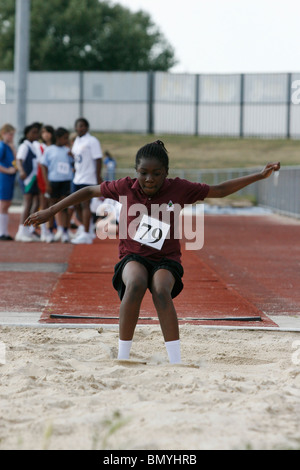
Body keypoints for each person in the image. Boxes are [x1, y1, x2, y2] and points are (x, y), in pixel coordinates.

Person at [24, 140, 280, 364]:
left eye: (157, 174)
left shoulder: (180, 188)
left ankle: (175, 359)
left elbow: (219, 190)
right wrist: (51, 211)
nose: (149, 179)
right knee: (135, 282)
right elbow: (90, 190)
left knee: (160, 289)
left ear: (166, 173)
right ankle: (124, 356)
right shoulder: (125, 187)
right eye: (144, 173)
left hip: (166, 260)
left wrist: (259, 176)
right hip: (132, 257)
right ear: (135, 172)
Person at [71, 118, 102, 244]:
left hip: (88, 177)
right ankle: (86, 228)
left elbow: (98, 159)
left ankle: (86, 234)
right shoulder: (77, 141)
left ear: (87, 127)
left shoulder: (92, 141)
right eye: (79, 126)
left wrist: (98, 176)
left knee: (85, 205)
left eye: (83, 126)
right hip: (77, 177)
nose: (81, 128)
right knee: (76, 204)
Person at [40, 127, 74, 243]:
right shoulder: (49, 150)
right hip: (53, 181)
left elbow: (73, 165)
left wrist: (72, 156)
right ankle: (49, 231)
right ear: (58, 138)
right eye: (65, 138)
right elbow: (44, 166)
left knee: (64, 207)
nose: (66, 140)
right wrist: (47, 183)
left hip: (66, 181)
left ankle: (63, 231)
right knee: (52, 208)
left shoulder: (67, 150)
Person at [15, 122, 41, 242]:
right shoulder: (24, 146)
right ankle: (21, 230)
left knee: (36, 203)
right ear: (27, 134)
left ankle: (29, 229)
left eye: (37, 132)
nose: (36, 134)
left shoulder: (34, 145)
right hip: (27, 178)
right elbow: (19, 160)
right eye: (33, 132)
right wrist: (21, 171)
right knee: (28, 203)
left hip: (35, 178)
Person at [35, 125, 55, 242]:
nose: (45, 135)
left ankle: (51, 229)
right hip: (43, 176)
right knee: (44, 203)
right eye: (43, 132)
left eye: (47, 132)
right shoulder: (40, 147)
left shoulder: (54, 147)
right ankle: (44, 230)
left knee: (53, 204)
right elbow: (41, 163)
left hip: (54, 176)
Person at [0, 124, 17, 241]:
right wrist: (7, 170)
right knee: (3, 204)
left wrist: (13, 148)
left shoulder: (8, 146)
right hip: (4, 177)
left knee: (7, 204)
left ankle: (4, 231)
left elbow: (16, 160)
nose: (12, 137)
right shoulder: (1, 146)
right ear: (3, 134)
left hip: (9, 178)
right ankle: (2, 232)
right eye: (10, 134)